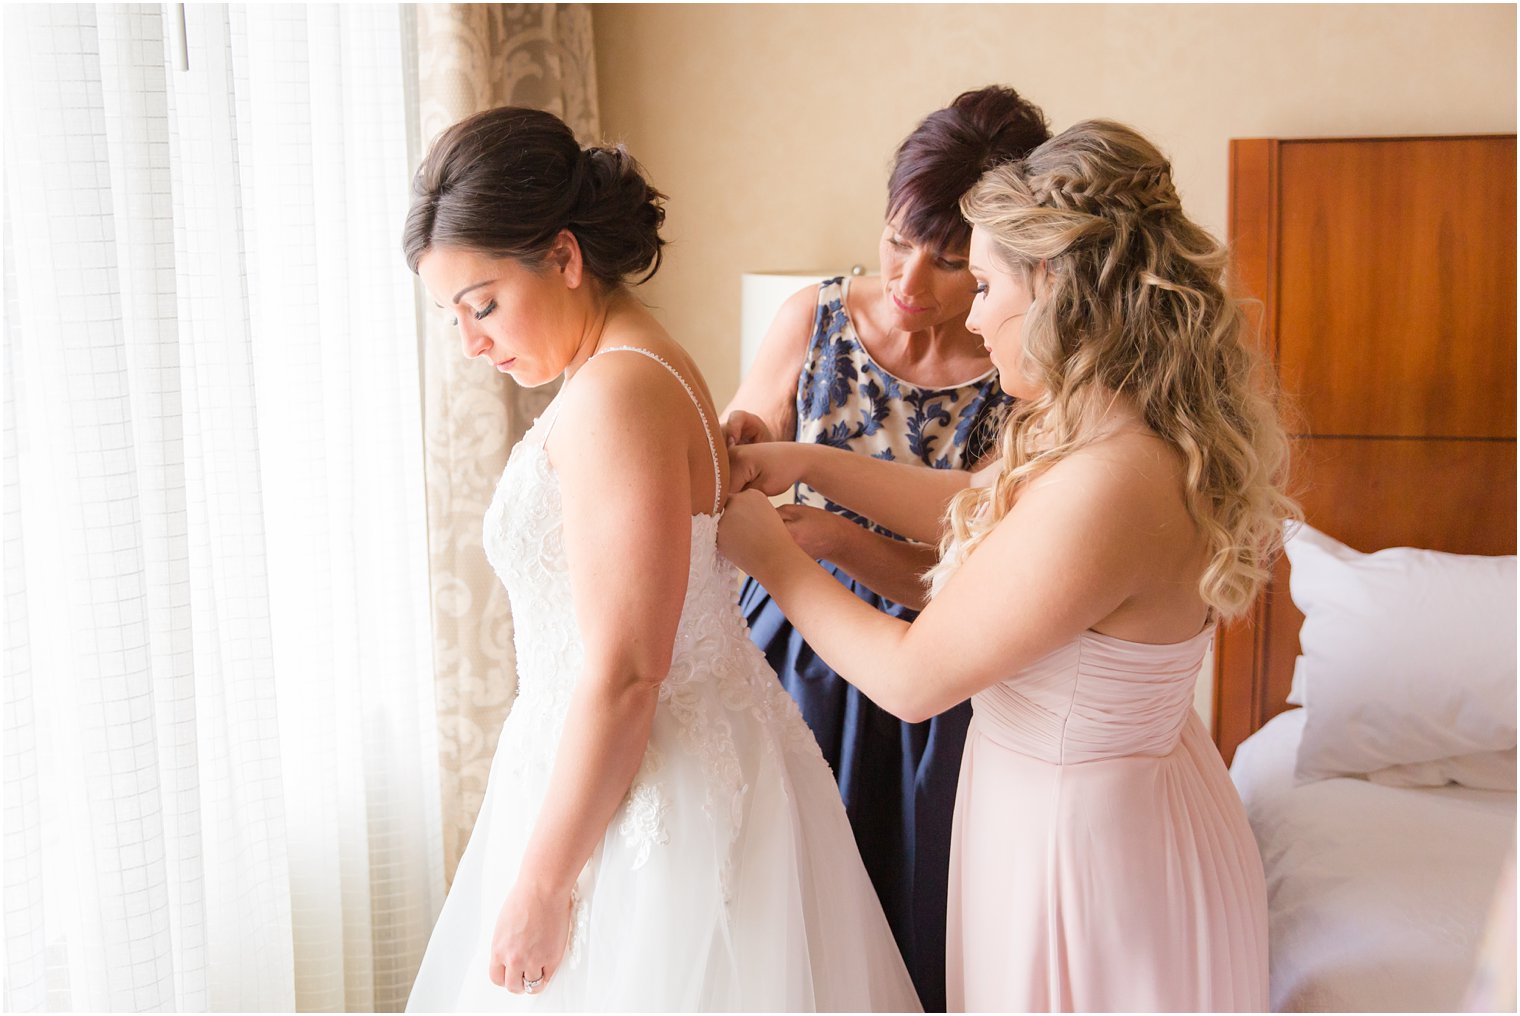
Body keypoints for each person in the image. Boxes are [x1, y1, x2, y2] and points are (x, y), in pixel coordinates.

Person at [718, 119, 1294, 1012]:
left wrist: (770, 556)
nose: (972, 314)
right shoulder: (1109, 423)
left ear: (1056, 285)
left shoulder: (1110, 480)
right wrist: (812, 469)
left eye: (985, 285)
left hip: (1086, 856)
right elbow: (994, 568)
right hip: (1090, 812)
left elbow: (914, 681)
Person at [400, 106, 920, 1012]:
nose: (473, 341)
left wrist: (544, 883)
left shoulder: (616, 393)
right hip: (643, 764)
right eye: (453, 318)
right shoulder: (649, 365)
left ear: (565, 258)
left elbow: (630, 672)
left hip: (643, 790)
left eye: (482, 305)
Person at [721, 84, 1049, 1011]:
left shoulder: (1023, 376)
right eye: (897, 241)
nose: (909, 284)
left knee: (908, 912)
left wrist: (830, 537)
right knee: (776, 904)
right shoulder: (813, 318)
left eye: (950, 264)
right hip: (791, 649)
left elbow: (978, 583)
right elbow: (748, 445)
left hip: (934, 679)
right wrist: (741, 434)